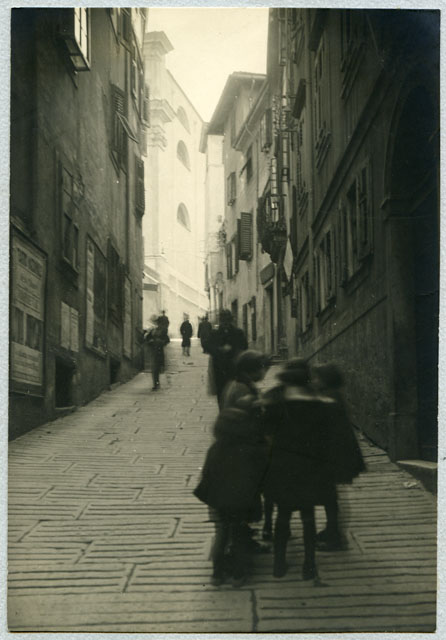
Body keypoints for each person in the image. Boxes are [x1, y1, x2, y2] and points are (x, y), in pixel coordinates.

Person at [261, 358, 363, 581]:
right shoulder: (321, 403)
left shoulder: (275, 402)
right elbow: (327, 438)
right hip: (310, 468)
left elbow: (265, 433)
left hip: (283, 467)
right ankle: (309, 565)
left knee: (283, 515)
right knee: (308, 516)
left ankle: (279, 564)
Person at [193, 391, 269, 588]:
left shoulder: (215, 449)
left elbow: (207, 475)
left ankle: (217, 574)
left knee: (221, 534)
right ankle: (238, 574)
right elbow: (258, 475)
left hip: (218, 501)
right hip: (241, 501)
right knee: (239, 535)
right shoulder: (249, 449)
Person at [311, 363, 366, 550]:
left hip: (334, 454)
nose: (314, 381)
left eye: (317, 378)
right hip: (338, 452)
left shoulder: (330, 398)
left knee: (331, 495)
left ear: (325, 380)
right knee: (331, 494)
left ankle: (336, 537)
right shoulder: (332, 395)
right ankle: (332, 529)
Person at [207, 309, 248, 409]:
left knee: (234, 391)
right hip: (219, 368)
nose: (225, 323)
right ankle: (223, 412)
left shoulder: (238, 333)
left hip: (234, 367)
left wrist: (232, 349)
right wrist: (219, 350)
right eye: (223, 320)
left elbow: (244, 347)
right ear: (220, 321)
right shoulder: (214, 334)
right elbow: (208, 347)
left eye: (227, 320)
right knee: (221, 393)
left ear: (231, 320)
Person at [144, 315, 170, 391]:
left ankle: (156, 383)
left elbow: (167, 340)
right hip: (153, 350)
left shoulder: (163, 331)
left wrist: (160, 342)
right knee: (154, 367)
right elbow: (147, 338)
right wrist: (150, 341)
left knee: (157, 367)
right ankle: (155, 383)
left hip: (159, 350)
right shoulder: (153, 330)